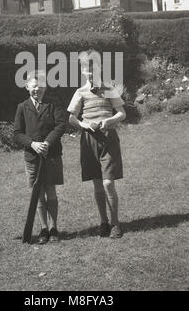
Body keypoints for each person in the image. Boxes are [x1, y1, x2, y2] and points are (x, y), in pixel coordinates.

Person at [67, 50, 126, 238]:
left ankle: (115, 223)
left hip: (108, 139)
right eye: (86, 69)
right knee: (98, 184)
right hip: (89, 141)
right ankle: (104, 222)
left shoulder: (109, 88)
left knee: (108, 183)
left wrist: (107, 122)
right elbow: (71, 118)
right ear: (82, 71)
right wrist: (84, 124)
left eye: (93, 69)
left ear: (100, 68)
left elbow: (122, 113)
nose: (90, 72)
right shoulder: (80, 92)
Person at [14, 71, 66, 244]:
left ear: (46, 86)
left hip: (51, 154)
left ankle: (53, 228)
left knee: (51, 190)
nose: (38, 89)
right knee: (38, 193)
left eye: (41, 85)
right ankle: (43, 229)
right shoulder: (22, 107)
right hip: (32, 156)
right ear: (27, 87)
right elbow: (17, 133)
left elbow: (60, 125)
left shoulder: (54, 103)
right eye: (34, 86)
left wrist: (47, 143)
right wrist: (33, 144)